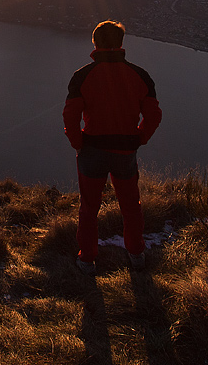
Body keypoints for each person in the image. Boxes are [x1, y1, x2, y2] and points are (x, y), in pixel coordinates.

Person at [63, 20, 161, 274]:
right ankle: (136, 254)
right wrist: (139, 137)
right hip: (125, 151)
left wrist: (78, 143)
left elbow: (70, 115)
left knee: (89, 208)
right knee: (130, 206)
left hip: (92, 150)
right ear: (120, 43)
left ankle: (87, 260)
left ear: (95, 43)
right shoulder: (140, 75)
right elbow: (153, 115)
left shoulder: (83, 76)